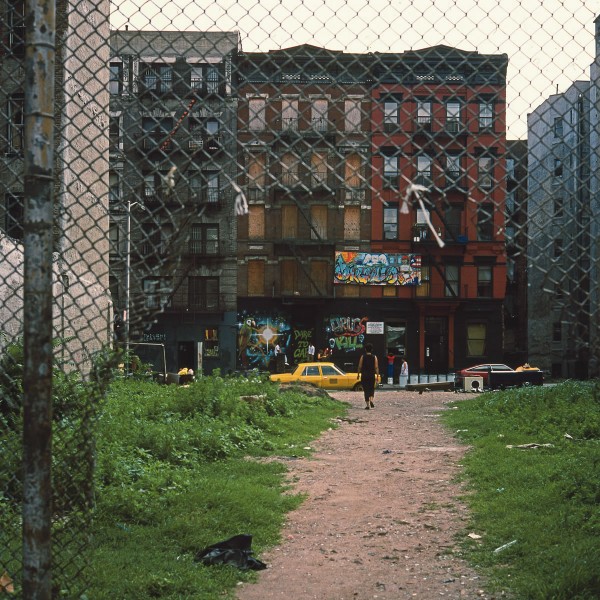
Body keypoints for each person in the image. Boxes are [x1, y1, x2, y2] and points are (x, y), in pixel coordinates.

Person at [357, 343, 379, 410]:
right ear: (372, 349)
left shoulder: (363, 357)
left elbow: (360, 366)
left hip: (364, 375)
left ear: (365, 349)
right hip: (371, 375)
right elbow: (376, 367)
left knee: (366, 390)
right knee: (371, 388)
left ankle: (367, 405)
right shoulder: (374, 357)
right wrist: (377, 375)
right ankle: (371, 400)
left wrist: (358, 374)